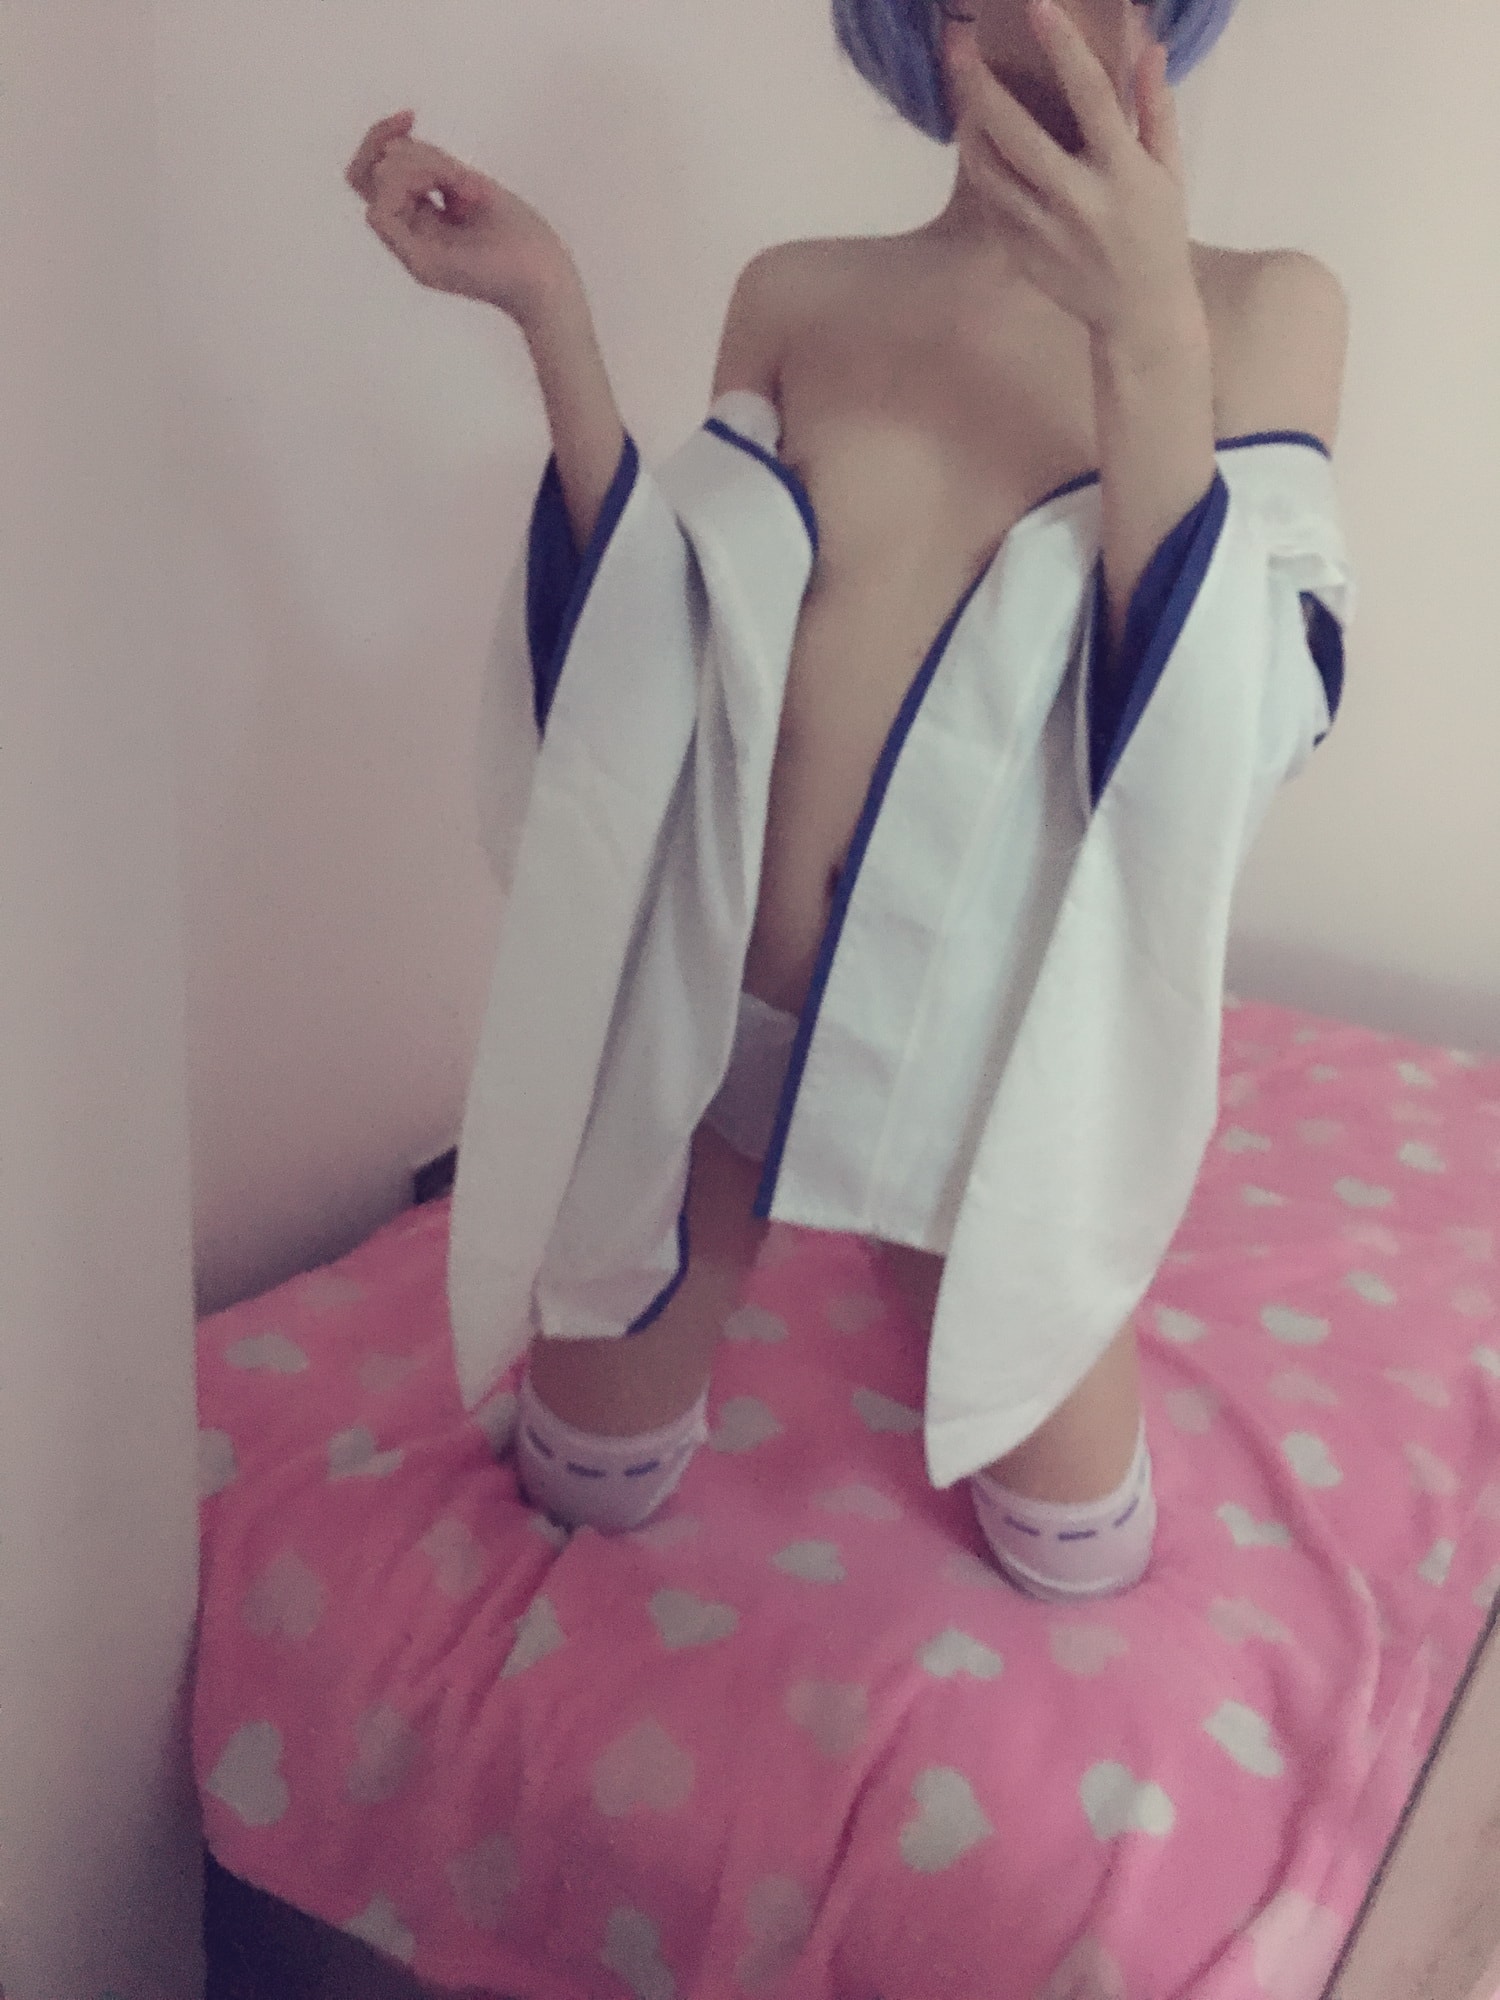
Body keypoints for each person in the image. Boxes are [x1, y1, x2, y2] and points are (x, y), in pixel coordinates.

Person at [345, 0, 1349, 1603]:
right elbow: (670, 642)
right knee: (584, 1477)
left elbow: (1236, 730)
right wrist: (552, 317)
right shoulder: (798, 293)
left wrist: (1147, 334)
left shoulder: (1260, 307)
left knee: (1079, 1554)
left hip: (989, 1078)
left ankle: (910, 1245)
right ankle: (804, 1225)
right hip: (719, 1031)